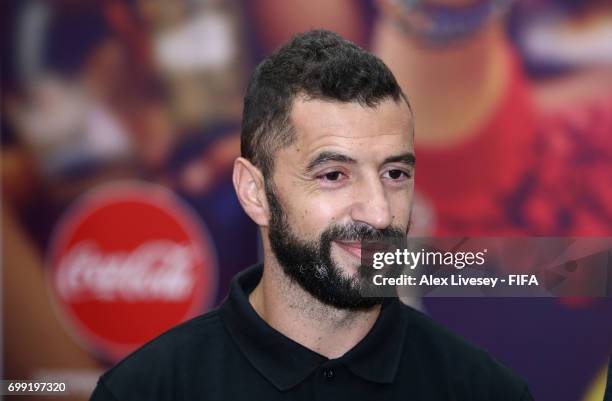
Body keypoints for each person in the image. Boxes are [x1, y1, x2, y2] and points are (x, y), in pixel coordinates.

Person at [89, 29, 533, 401]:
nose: (379, 212)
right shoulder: (145, 391)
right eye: (335, 175)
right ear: (254, 191)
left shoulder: (486, 391)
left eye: (395, 173)